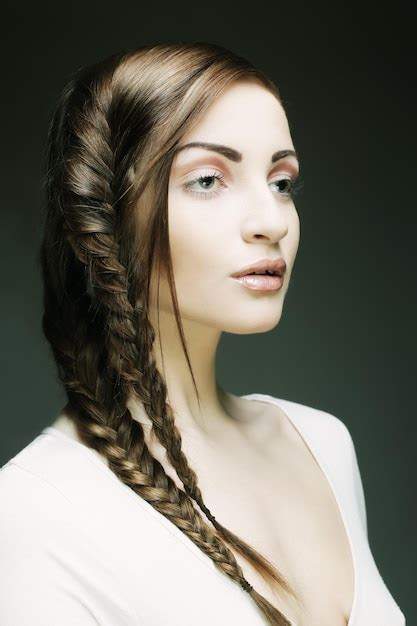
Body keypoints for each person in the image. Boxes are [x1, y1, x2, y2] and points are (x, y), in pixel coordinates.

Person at [0, 42, 406, 626]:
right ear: (108, 211)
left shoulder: (322, 444)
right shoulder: (38, 508)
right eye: (210, 179)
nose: (271, 220)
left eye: (281, 181)